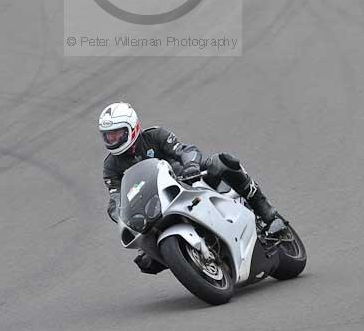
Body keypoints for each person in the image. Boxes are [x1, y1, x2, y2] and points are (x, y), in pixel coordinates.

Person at [100, 102, 286, 274]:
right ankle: (183, 258)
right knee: (146, 261)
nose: (112, 139)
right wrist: (119, 214)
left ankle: (267, 214)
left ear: (132, 128)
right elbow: (116, 197)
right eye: (108, 135)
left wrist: (190, 166)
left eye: (117, 133)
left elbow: (185, 150)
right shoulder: (111, 166)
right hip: (153, 207)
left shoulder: (155, 136)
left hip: (185, 180)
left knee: (223, 162)